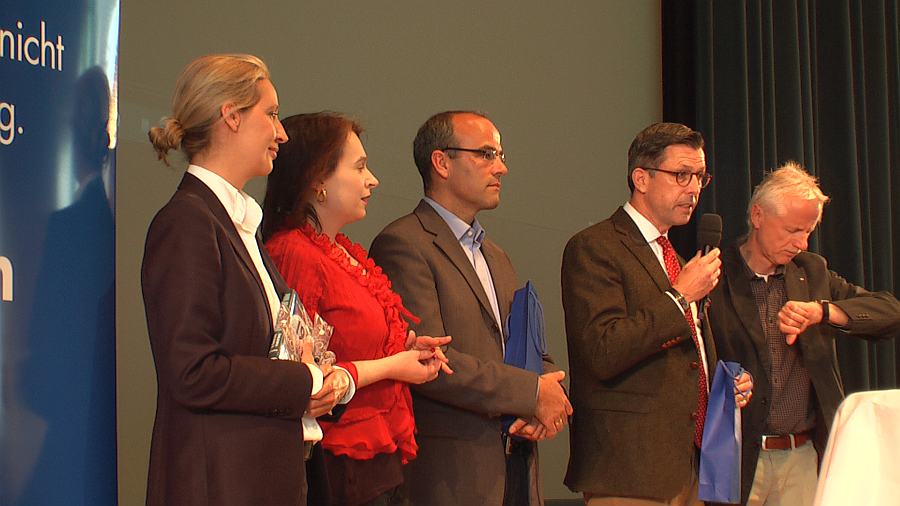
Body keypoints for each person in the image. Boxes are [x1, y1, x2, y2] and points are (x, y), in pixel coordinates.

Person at [143, 54, 328, 506]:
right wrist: (304, 380)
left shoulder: (237, 224)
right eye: (272, 114)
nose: (282, 133)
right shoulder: (187, 222)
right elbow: (192, 372)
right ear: (231, 116)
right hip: (218, 486)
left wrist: (319, 376)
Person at [369, 110, 572, 506]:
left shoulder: (496, 255)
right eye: (486, 154)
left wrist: (551, 390)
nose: (502, 168)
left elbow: (525, 348)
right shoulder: (404, 244)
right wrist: (531, 393)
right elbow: (432, 362)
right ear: (442, 162)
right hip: (452, 476)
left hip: (516, 467)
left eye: (500, 155)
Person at [261, 112, 451, 506]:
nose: (372, 179)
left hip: (374, 455)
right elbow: (301, 373)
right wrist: (394, 366)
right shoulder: (294, 253)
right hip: (335, 458)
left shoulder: (341, 250)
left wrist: (406, 351)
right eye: (360, 166)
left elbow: (351, 344)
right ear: (318, 179)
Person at [561, 122, 753, 505]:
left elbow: (686, 359)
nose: (693, 189)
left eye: (700, 177)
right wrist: (680, 297)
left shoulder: (676, 259)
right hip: (629, 471)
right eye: (681, 175)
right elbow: (603, 350)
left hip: (692, 467)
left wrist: (724, 383)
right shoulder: (595, 247)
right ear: (641, 179)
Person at [708, 162, 900, 506]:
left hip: (802, 457)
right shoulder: (715, 275)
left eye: (808, 231)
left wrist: (824, 311)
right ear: (757, 216)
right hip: (737, 457)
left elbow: (890, 313)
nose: (801, 243)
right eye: (792, 230)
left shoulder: (811, 272)